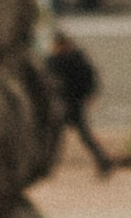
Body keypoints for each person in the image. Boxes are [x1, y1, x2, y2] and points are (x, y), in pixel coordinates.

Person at [47, 28, 112, 177]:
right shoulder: (62, 59)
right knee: (59, 137)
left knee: (62, 136)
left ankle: (103, 161)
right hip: (65, 102)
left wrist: (90, 94)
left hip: (70, 103)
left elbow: (89, 77)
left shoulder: (71, 59)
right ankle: (103, 161)